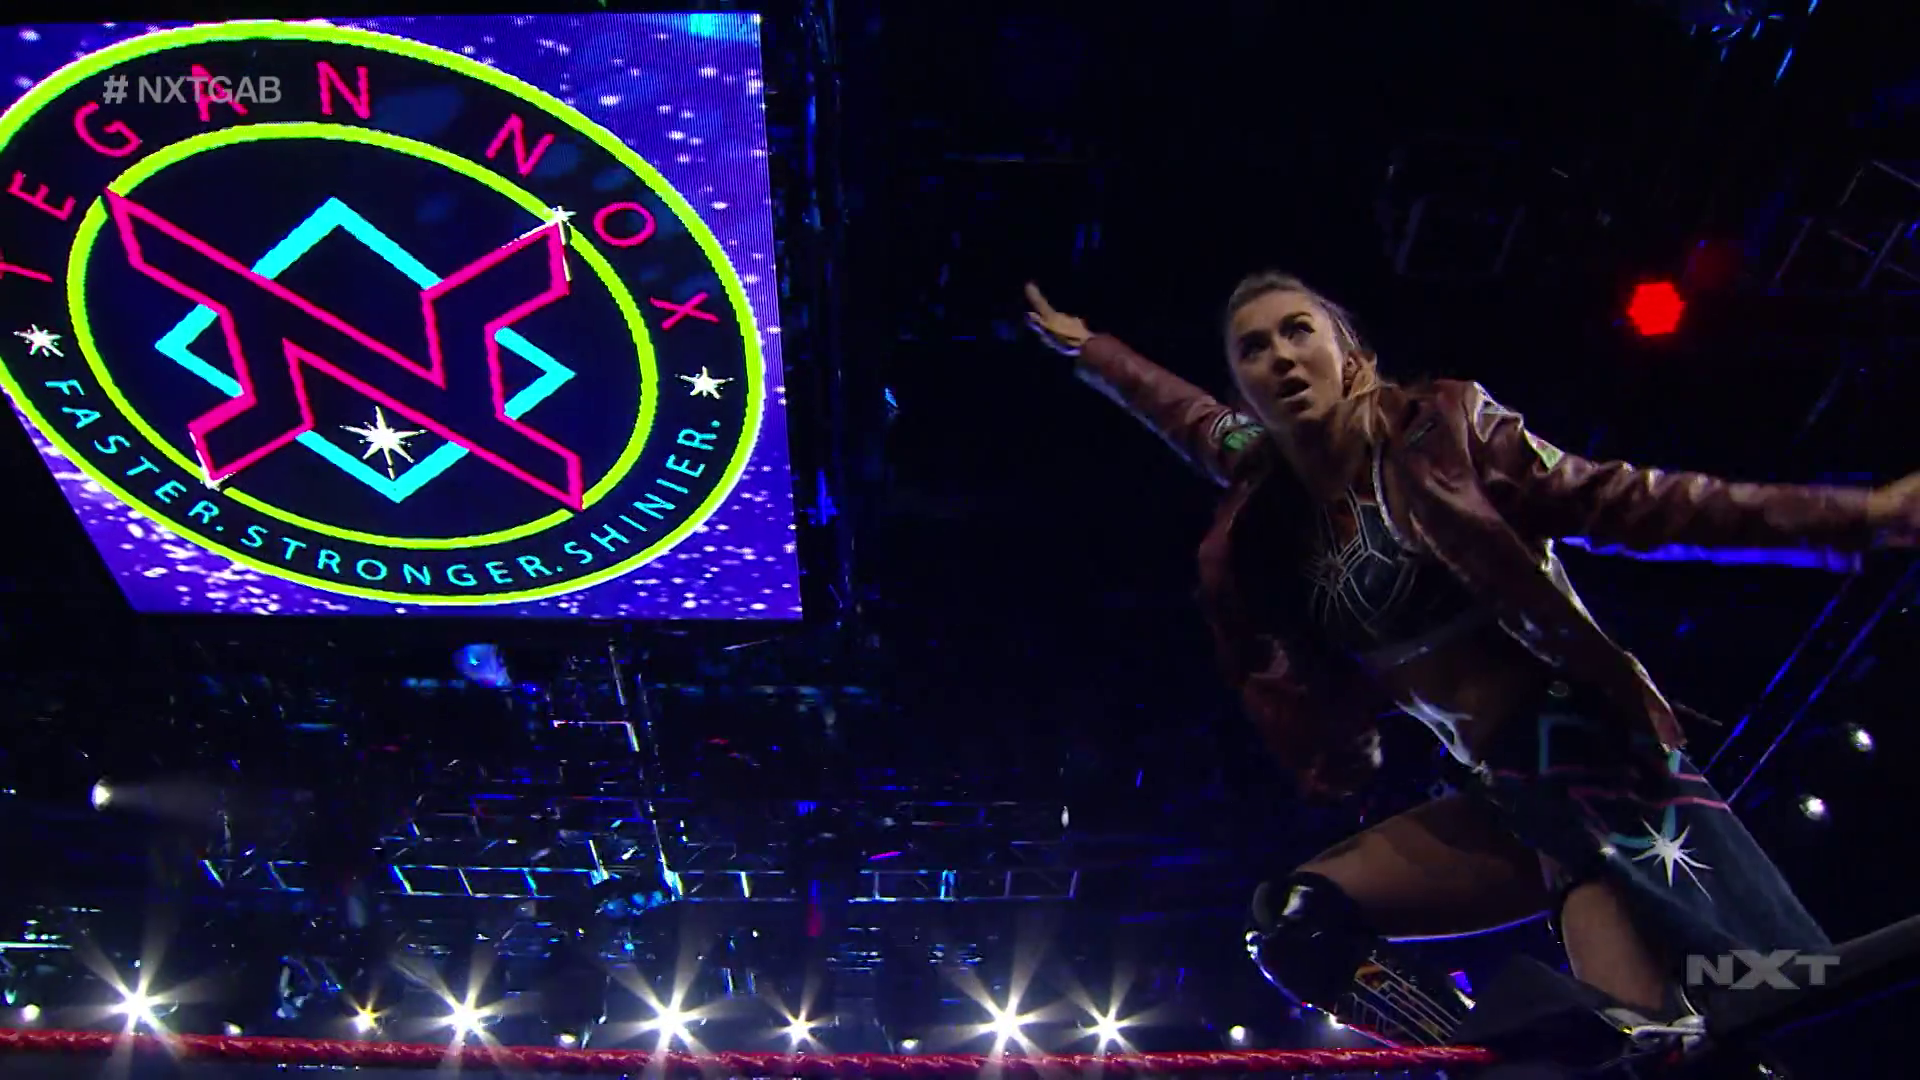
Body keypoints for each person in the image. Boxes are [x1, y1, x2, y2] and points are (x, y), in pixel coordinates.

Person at [1023, 275, 1920, 1050]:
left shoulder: (1445, 432)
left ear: (1349, 356)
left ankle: (1610, 1042)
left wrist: (1858, 518)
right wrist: (1090, 349)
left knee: (1754, 1010)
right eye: (1253, 348)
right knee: (1297, 923)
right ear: (1245, 389)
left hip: (1591, 760)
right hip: (1504, 792)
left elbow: (1633, 502)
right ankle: (1481, 1057)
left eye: (1299, 331)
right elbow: (1184, 415)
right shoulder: (1264, 488)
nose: (1281, 356)